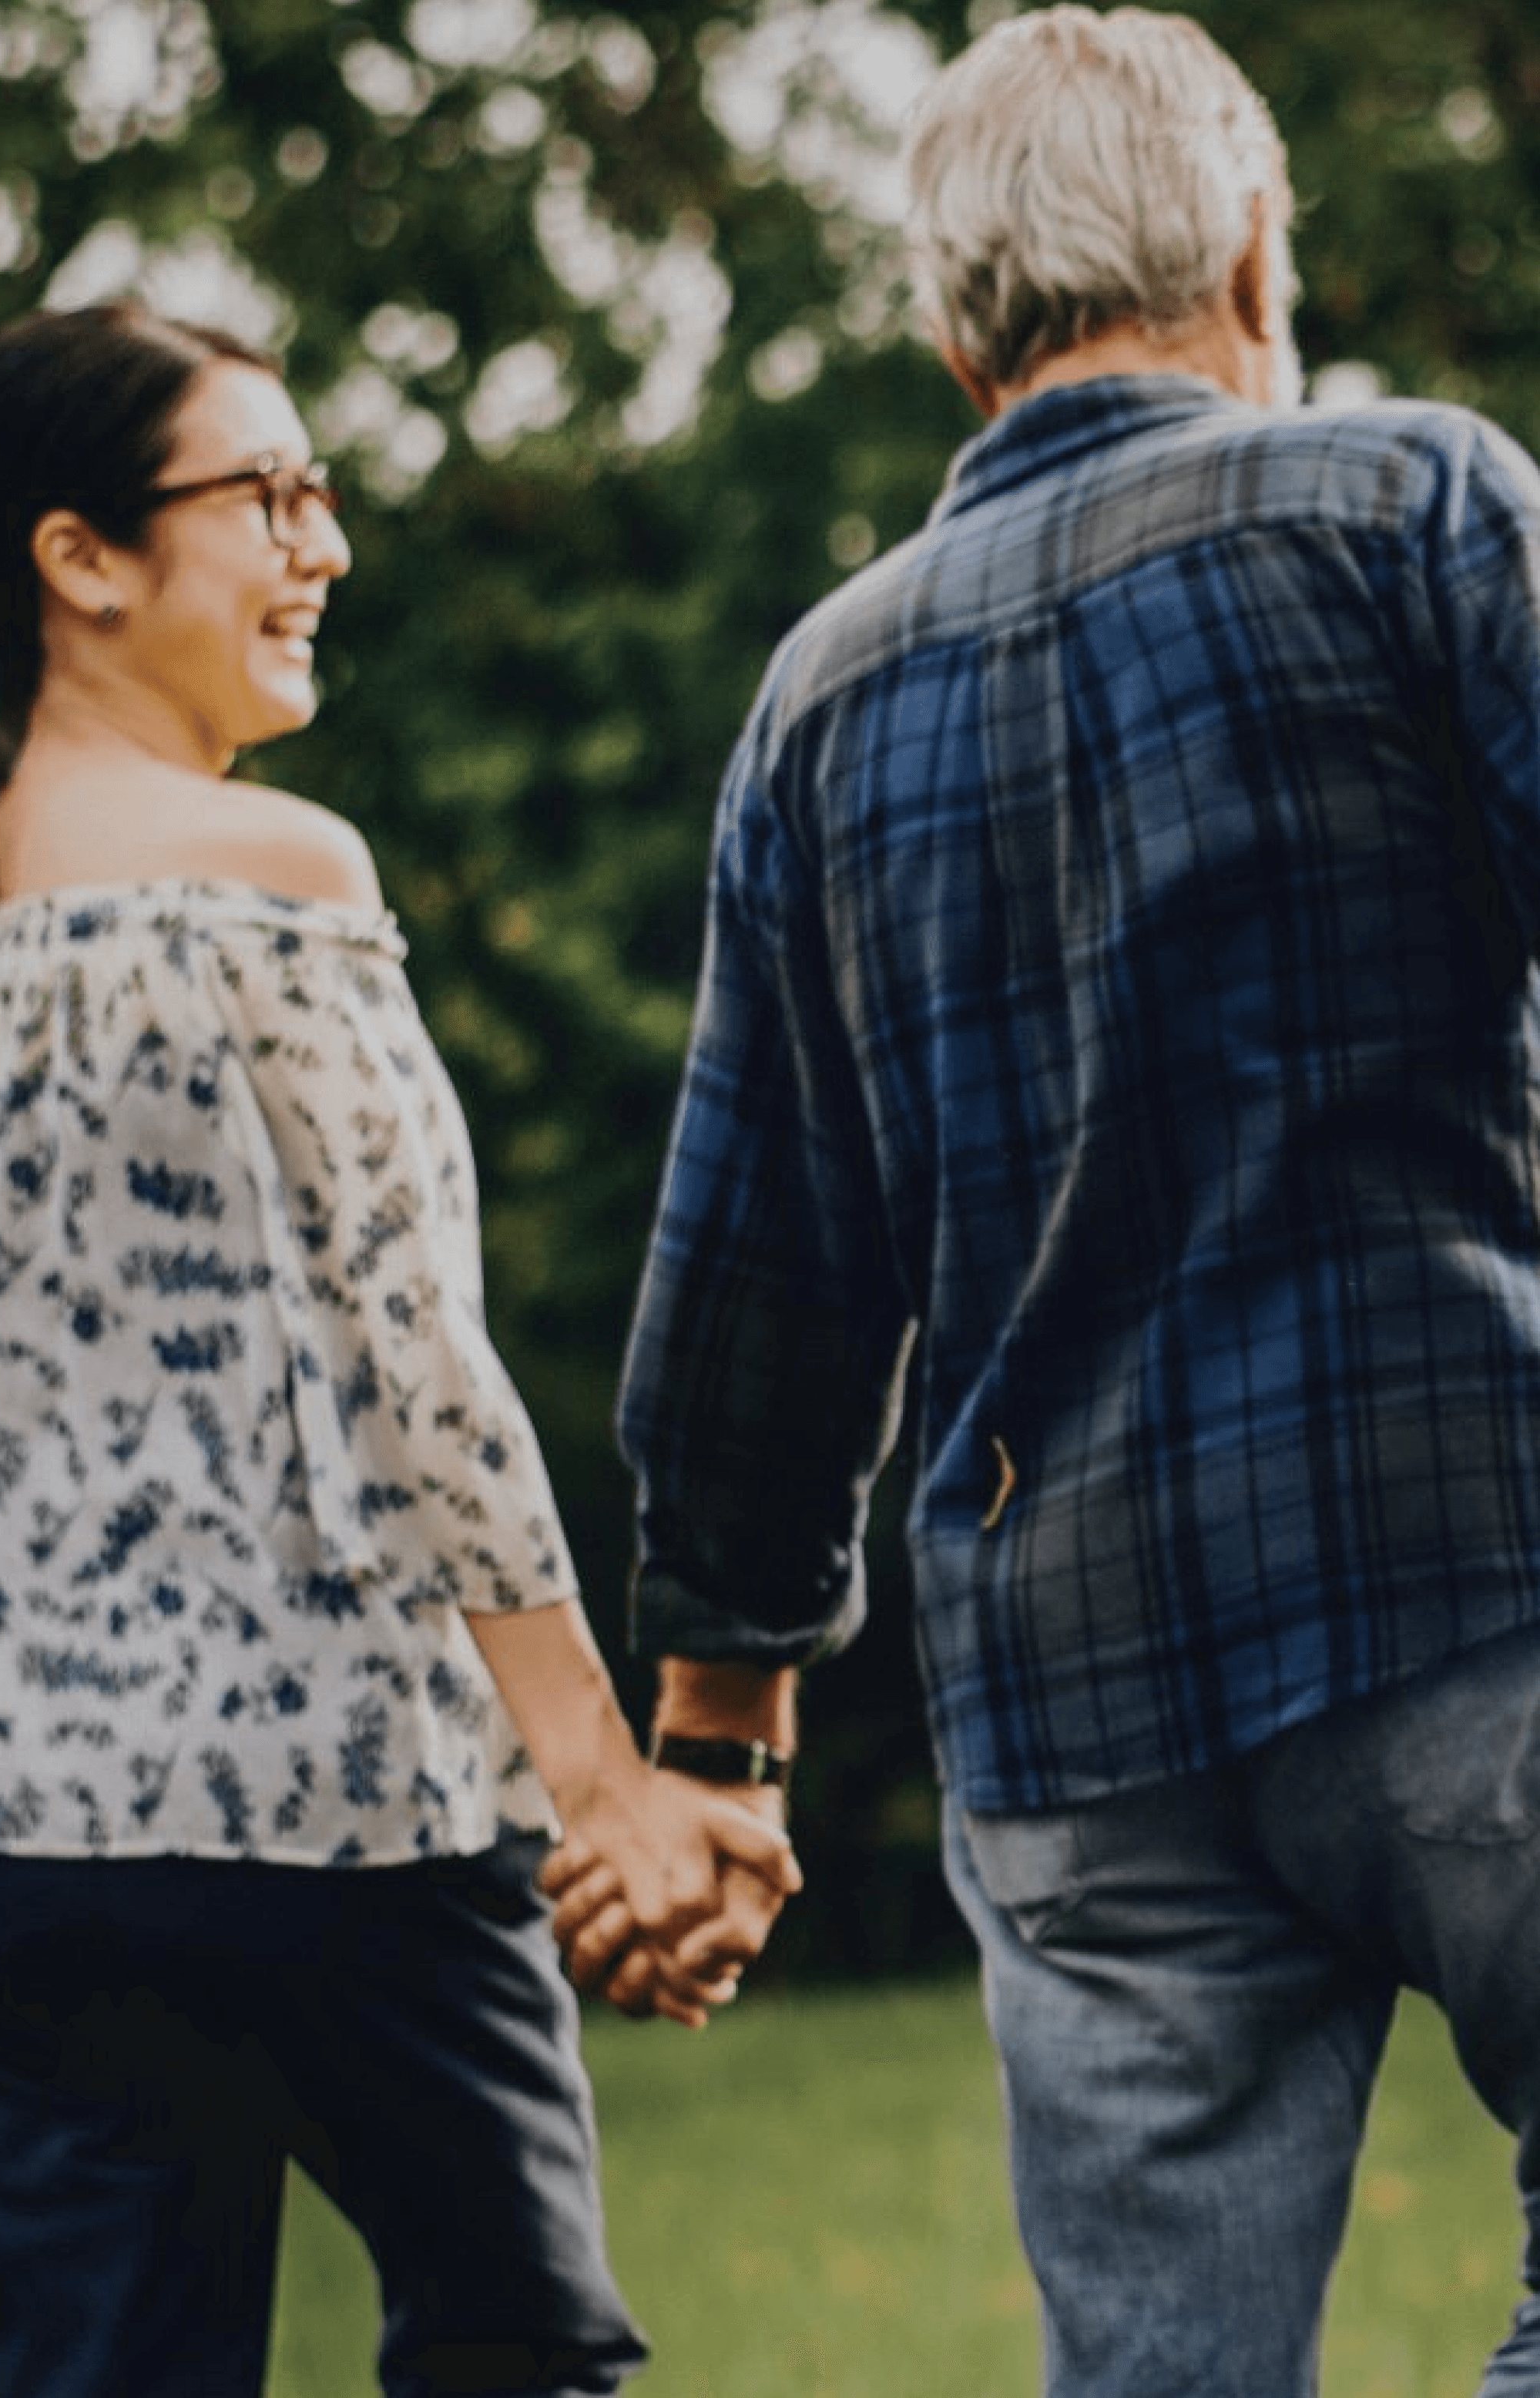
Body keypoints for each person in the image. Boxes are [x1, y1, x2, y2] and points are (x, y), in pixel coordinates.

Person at [545, 7, 1540, 2390]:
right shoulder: (1416, 509)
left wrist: (722, 1746)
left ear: (946, 330)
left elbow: (761, 1272)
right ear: (1254, 247)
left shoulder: (820, 696)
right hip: (1470, 1555)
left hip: (1077, 1701)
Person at [0, 300, 797, 2398]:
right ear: (78, 557)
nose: (324, 542)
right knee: (517, 2357)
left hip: (15, 1844)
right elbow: (414, 1364)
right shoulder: (272, 880)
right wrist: (604, 1787)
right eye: (264, 495)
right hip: (325, 1807)